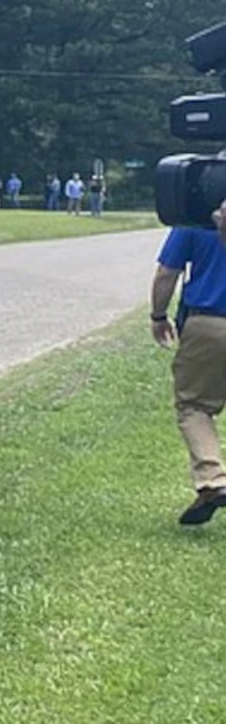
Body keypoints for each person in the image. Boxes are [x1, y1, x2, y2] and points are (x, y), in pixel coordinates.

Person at [152, 199, 226, 525]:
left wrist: (158, 315)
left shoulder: (195, 218)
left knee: (194, 406)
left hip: (209, 324)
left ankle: (213, 479)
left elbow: (168, 272)